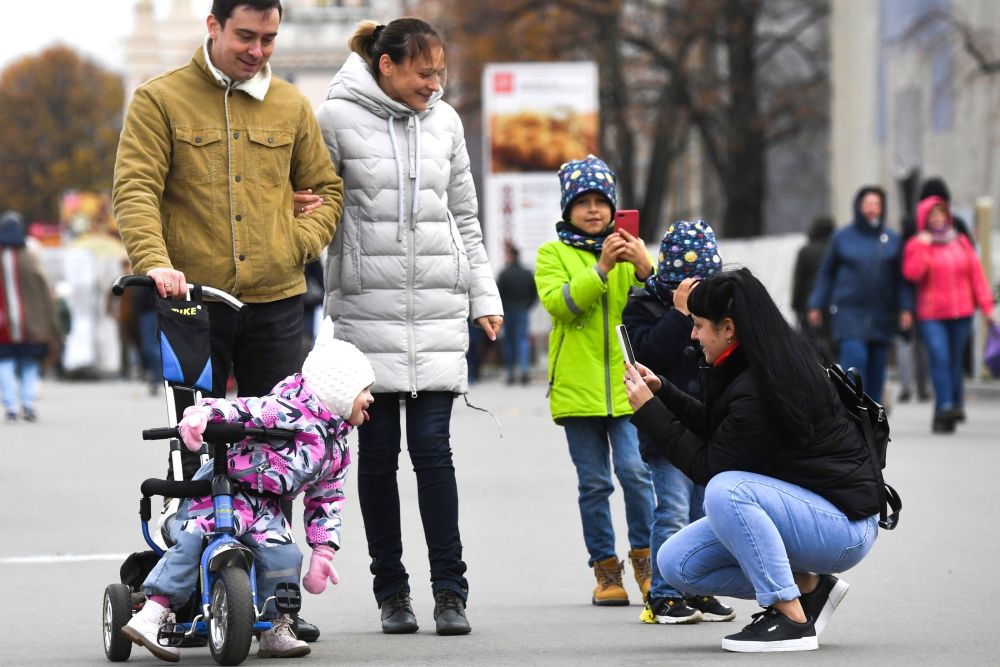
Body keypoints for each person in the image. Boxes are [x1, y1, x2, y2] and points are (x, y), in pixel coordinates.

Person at [312, 18, 503, 636]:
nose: (435, 83)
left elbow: (466, 217)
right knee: (376, 459)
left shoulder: (445, 123)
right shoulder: (335, 118)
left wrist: (484, 295)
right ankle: (392, 593)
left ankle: (451, 592)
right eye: (424, 72)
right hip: (365, 313)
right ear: (387, 65)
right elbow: (316, 202)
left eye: (440, 72)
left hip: (437, 312)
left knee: (434, 456)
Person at [625, 268, 882, 653]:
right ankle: (810, 587)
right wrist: (663, 393)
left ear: (727, 328)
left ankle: (790, 616)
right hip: (807, 512)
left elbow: (710, 467)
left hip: (844, 526)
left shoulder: (762, 384)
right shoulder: (750, 362)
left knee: (726, 490)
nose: (693, 336)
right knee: (676, 562)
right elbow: (719, 430)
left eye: (697, 326)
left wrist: (649, 412)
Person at [113, 0, 344, 421]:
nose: (257, 50)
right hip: (192, 300)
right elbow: (135, 189)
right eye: (245, 36)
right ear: (214, 26)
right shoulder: (158, 99)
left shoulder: (291, 105)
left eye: (268, 39)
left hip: (277, 303)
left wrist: (297, 244)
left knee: (276, 441)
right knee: (193, 441)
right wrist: (155, 262)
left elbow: (326, 190)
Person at [122, 324, 375, 662]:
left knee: (284, 554)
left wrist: (323, 551)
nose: (371, 398)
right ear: (340, 390)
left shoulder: (338, 447)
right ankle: (152, 613)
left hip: (264, 505)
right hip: (223, 489)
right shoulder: (289, 409)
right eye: (365, 390)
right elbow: (244, 409)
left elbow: (326, 499)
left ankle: (276, 627)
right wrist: (203, 414)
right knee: (195, 536)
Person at [535, 154, 656, 607]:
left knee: (636, 473)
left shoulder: (632, 249)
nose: (592, 210)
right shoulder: (553, 254)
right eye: (581, 202)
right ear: (567, 209)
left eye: (600, 202)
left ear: (613, 207)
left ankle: (646, 559)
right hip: (576, 388)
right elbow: (560, 305)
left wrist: (644, 266)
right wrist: (600, 269)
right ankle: (606, 570)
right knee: (594, 484)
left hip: (630, 386)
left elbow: (663, 302)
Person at [622, 219, 734, 625]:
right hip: (665, 430)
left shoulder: (719, 313)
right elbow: (646, 354)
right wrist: (678, 314)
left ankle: (697, 589)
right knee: (670, 511)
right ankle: (663, 596)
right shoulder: (642, 306)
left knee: (704, 514)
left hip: (709, 428)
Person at [807, 186, 912, 403]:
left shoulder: (891, 240)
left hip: (882, 315)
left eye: (877, 204)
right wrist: (816, 303)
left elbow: (901, 279)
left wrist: (906, 308)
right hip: (849, 313)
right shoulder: (842, 237)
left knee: (877, 370)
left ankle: (873, 420)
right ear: (858, 206)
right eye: (868, 204)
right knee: (856, 362)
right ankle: (852, 412)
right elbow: (826, 273)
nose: (872, 209)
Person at [902, 195, 995, 433]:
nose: (938, 219)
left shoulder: (961, 242)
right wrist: (923, 245)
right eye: (932, 215)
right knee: (940, 357)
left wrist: (987, 309)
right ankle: (944, 405)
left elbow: (977, 278)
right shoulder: (918, 244)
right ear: (925, 219)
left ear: (947, 216)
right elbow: (912, 274)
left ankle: (953, 406)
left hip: (961, 313)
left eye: (941, 214)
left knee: (954, 362)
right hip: (932, 314)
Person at [0, 211, 62, 423]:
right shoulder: (30, 257)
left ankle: (10, 407)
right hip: (32, 325)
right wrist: (53, 325)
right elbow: (45, 294)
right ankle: (27, 404)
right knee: (29, 364)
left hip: (3, 327)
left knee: (4, 363)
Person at [790, 216, 836, 364]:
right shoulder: (834, 250)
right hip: (833, 305)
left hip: (808, 305)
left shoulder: (806, 251)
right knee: (833, 346)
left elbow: (799, 281)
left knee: (812, 346)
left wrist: (796, 305)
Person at [496, 244, 537, 385]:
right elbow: (534, 293)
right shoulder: (526, 273)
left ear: (511, 256)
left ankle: (510, 373)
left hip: (507, 312)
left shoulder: (504, 274)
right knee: (522, 340)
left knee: (508, 342)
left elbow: (498, 294)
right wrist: (527, 306)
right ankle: (524, 371)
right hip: (522, 311)